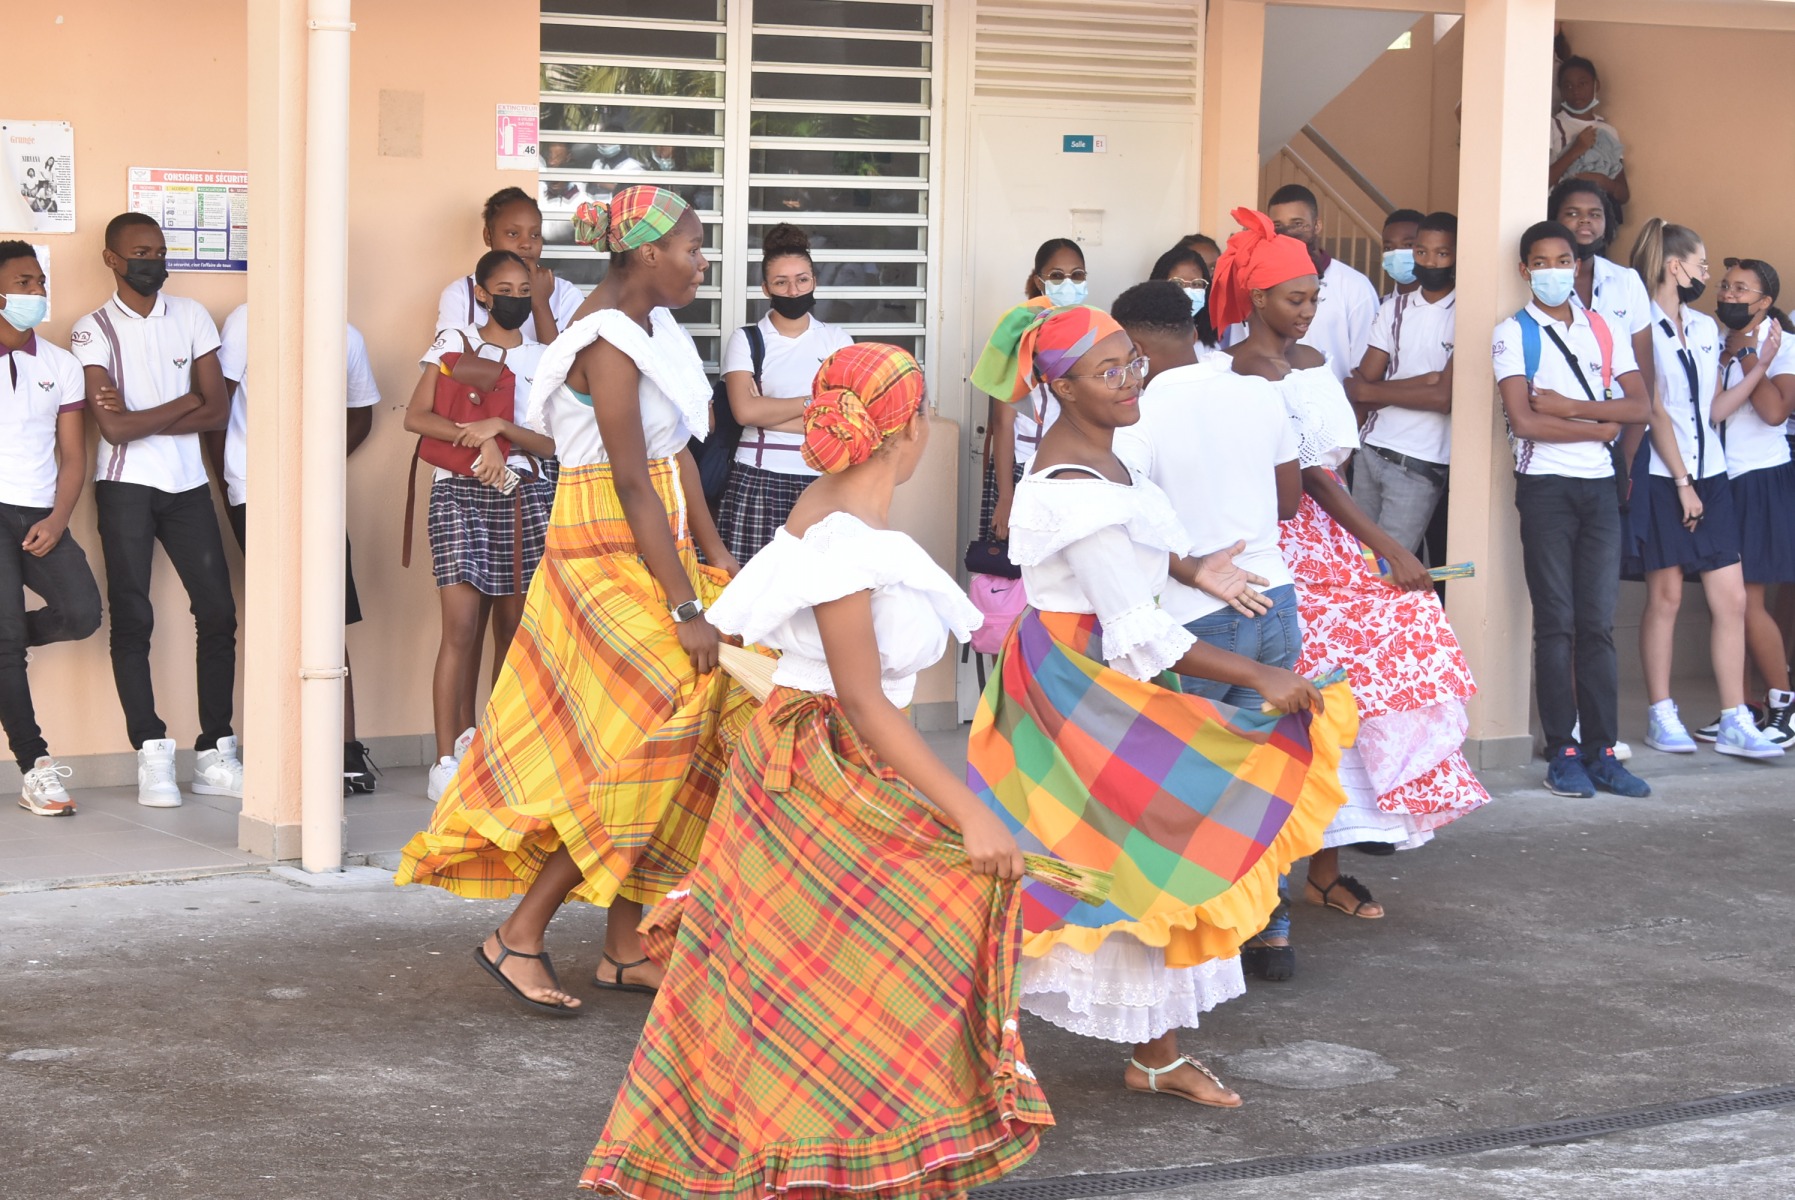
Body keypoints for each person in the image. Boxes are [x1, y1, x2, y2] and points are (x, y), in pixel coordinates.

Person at [584, 344, 1053, 1200]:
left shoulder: (831, 511)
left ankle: (819, 1168)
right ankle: (816, 1169)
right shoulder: (843, 538)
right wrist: (969, 811)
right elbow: (864, 703)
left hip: (814, 761)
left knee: (818, 987)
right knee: (852, 984)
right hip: (831, 767)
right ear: (909, 431)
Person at [968, 300, 1353, 1106]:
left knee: (1137, 862)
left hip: (1098, 677)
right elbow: (1137, 628)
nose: (1128, 381)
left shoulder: (1104, 458)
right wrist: (1260, 678)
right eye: (1107, 371)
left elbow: (1133, 555)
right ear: (1061, 388)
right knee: (1071, 864)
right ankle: (981, 1059)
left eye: (1131, 362)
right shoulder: (1073, 487)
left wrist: (1190, 569)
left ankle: (1153, 1056)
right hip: (1079, 686)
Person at [397, 186, 757, 1015]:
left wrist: (717, 560)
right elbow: (628, 479)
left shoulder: (650, 329)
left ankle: (625, 949)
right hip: (602, 550)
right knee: (653, 730)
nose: (702, 263)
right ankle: (519, 935)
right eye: (693, 249)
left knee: (677, 730)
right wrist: (685, 609)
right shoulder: (604, 341)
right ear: (646, 254)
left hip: (658, 541)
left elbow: (672, 458)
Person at [1218, 208, 1491, 903]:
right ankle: (1270, 882)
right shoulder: (1245, 369)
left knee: (1352, 687)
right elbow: (1309, 477)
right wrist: (1389, 545)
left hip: (1330, 531)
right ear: (1258, 299)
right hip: (1283, 538)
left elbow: (1331, 471)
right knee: (1321, 689)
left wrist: (1370, 545)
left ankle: (1324, 870)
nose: (1308, 312)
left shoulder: (1307, 361)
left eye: (1314, 298)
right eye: (1295, 299)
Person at [1111, 279, 1308, 981]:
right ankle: (1271, 929)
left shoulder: (1135, 415)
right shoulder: (1257, 392)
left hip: (1193, 618)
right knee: (1265, 776)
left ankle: (1199, 942)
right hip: (1274, 597)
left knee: (1190, 781)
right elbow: (1289, 501)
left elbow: (1126, 525)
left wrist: (1195, 566)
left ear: (1134, 346)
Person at [72, 212, 241, 809]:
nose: (153, 262)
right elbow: (113, 431)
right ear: (112, 260)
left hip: (187, 486)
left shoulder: (191, 316)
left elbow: (217, 410)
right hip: (125, 487)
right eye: (140, 253)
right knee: (133, 617)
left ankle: (216, 749)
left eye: (160, 251)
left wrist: (146, 416)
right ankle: (150, 751)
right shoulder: (91, 329)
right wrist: (185, 401)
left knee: (218, 612)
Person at [1491, 220, 1653, 797]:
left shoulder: (1605, 328)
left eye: (1564, 261)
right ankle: (1562, 751)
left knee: (1597, 625)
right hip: (1545, 489)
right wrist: (1600, 424)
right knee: (1556, 623)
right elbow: (1525, 421)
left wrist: (1567, 408)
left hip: (1599, 490)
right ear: (1524, 270)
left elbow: (1641, 407)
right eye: (1541, 262)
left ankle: (1603, 750)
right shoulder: (1513, 333)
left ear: (1577, 266)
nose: (1554, 271)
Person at [1623, 221, 1783, 759]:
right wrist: (1681, 482)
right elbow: (1654, 410)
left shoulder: (1704, 326)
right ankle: (1661, 712)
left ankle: (1736, 716)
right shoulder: (1638, 322)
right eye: (1702, 265)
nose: (1707, 276)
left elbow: (1713, 409)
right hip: (1663, 475)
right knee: (1666, 596)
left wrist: (1760, 364)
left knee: (1732, 598)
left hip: (1711, 474)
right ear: (1676, 267)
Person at [406, 250, 560, 801]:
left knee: (515, 632)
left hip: (525, 494)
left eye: (524, 290)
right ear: (481, 293)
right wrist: (481, 441)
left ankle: (499, 752)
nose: (514, 299)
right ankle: (446, 760)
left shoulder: (546, 357)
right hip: (460, 492)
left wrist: (501, 427)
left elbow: (552, 442)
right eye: (504, 290)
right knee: (461, 628)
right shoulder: (455, 342)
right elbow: (416, 416)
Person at [210, 304, 382, 792]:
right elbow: (218, 413)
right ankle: (284, 754)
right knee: (280, 621)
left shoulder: (346, 334)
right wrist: (228, 485)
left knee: (326, 622)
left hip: (317, 496)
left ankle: (345, 751)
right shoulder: (249, 319)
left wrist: (319, 466)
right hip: (255, 490)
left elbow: (361, 415)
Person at [0, 242, 102, 816]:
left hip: (40, 512)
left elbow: (74, 455)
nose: (37, 292)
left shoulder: (61, 365)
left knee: (82, 613)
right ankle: (35, 767)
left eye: (39, 282)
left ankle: (4, 638)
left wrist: (58, 518)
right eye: (23, 283)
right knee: (6, 643)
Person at [713, 223, 853, 563]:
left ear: (814, 281)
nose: (793, 291)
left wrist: (767, 413)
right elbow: (744, 412)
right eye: (781, 282)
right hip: (757, 478)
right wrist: (814, 403)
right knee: (754, 586)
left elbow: (844, 419)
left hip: (824, 481)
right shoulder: (747, 340)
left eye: (802, 280)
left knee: (820, 588)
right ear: (765, 288)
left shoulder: (837, 340)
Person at [1711, 258, 1795, 747]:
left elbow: (1773, 411)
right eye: (1725, 286)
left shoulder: (1783, 345)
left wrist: (1747, 355)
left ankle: (1783, 702)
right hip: (1718, 479)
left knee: (1750, 601)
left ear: (1765, 301)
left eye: (1741, 289)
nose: (1729, 294)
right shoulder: (1711, 338)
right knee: (1727, 601)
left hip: (1759, 479)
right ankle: (1740, 709)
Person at [1346, 211, 1458, 555]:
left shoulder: (1466, 313)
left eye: (1442, 253)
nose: (1430, 261)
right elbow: (1359, 386)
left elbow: (1443, 399)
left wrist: (1374, 391)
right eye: (1421, 252)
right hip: (1371, 449)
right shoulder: (1393, 309)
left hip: (1421, 463)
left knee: (1391, 567)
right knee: (1360, 562)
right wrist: (1427, 382)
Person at [978, 238, 1081, 543]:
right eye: (1057, 276)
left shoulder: (1091, 330)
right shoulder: (1019, 331)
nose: (1068, 283)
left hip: (1073, 467)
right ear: (1039, 281)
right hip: (1022, 469)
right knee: (1015, 564)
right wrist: (1006, 497)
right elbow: (1003, 421)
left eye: (1077, 275)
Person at [436, 188, 584, 347]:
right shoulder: (460, 294)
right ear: (488, 236)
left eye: (535, 235)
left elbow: (566, 361)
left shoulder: (565, 294)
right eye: (513, 234)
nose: (526, 244)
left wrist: (541, 304)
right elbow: (449, 358)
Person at [1549, 178, 1654, 403]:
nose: (1585, 220)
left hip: (1624, 417)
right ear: (1554, 220)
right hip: (1564, 418)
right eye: (1572, 213)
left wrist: (1635, 425)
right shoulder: (1544, 283)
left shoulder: (1627, 281)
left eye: (1595, 214)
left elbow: (1644, 370)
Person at [1263, 184, 1379, 384]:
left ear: (1317, 226)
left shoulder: (1354, 286)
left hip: (1332, 400)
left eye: (1298, 224)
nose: (1288, 233)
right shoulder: (1260, 286)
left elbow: (1365, 365)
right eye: (1278, 226)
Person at [1550, 56, 1630, 211]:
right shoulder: (1552, 125)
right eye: (1568, 86)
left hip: (1599, 216)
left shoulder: (1608, 131)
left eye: (1582, 83)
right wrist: (1576, 150)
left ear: (1596, 85)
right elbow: (1540, 182)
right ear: (1560, 90)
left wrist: (1604, 182)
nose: (1576, 91)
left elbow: (1623, 195)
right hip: (1561, 211)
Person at [1146, 244, 1224, 363]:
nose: (1188, 291)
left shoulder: (1209, 343)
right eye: (1178, 283)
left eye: (1196, 284)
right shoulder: (1144, 337)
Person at [1379, 208, 1424, 297]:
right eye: (1388, 248)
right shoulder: (1379, 304)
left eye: (1408, 245)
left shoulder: (1451, 303)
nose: (1397, 253)